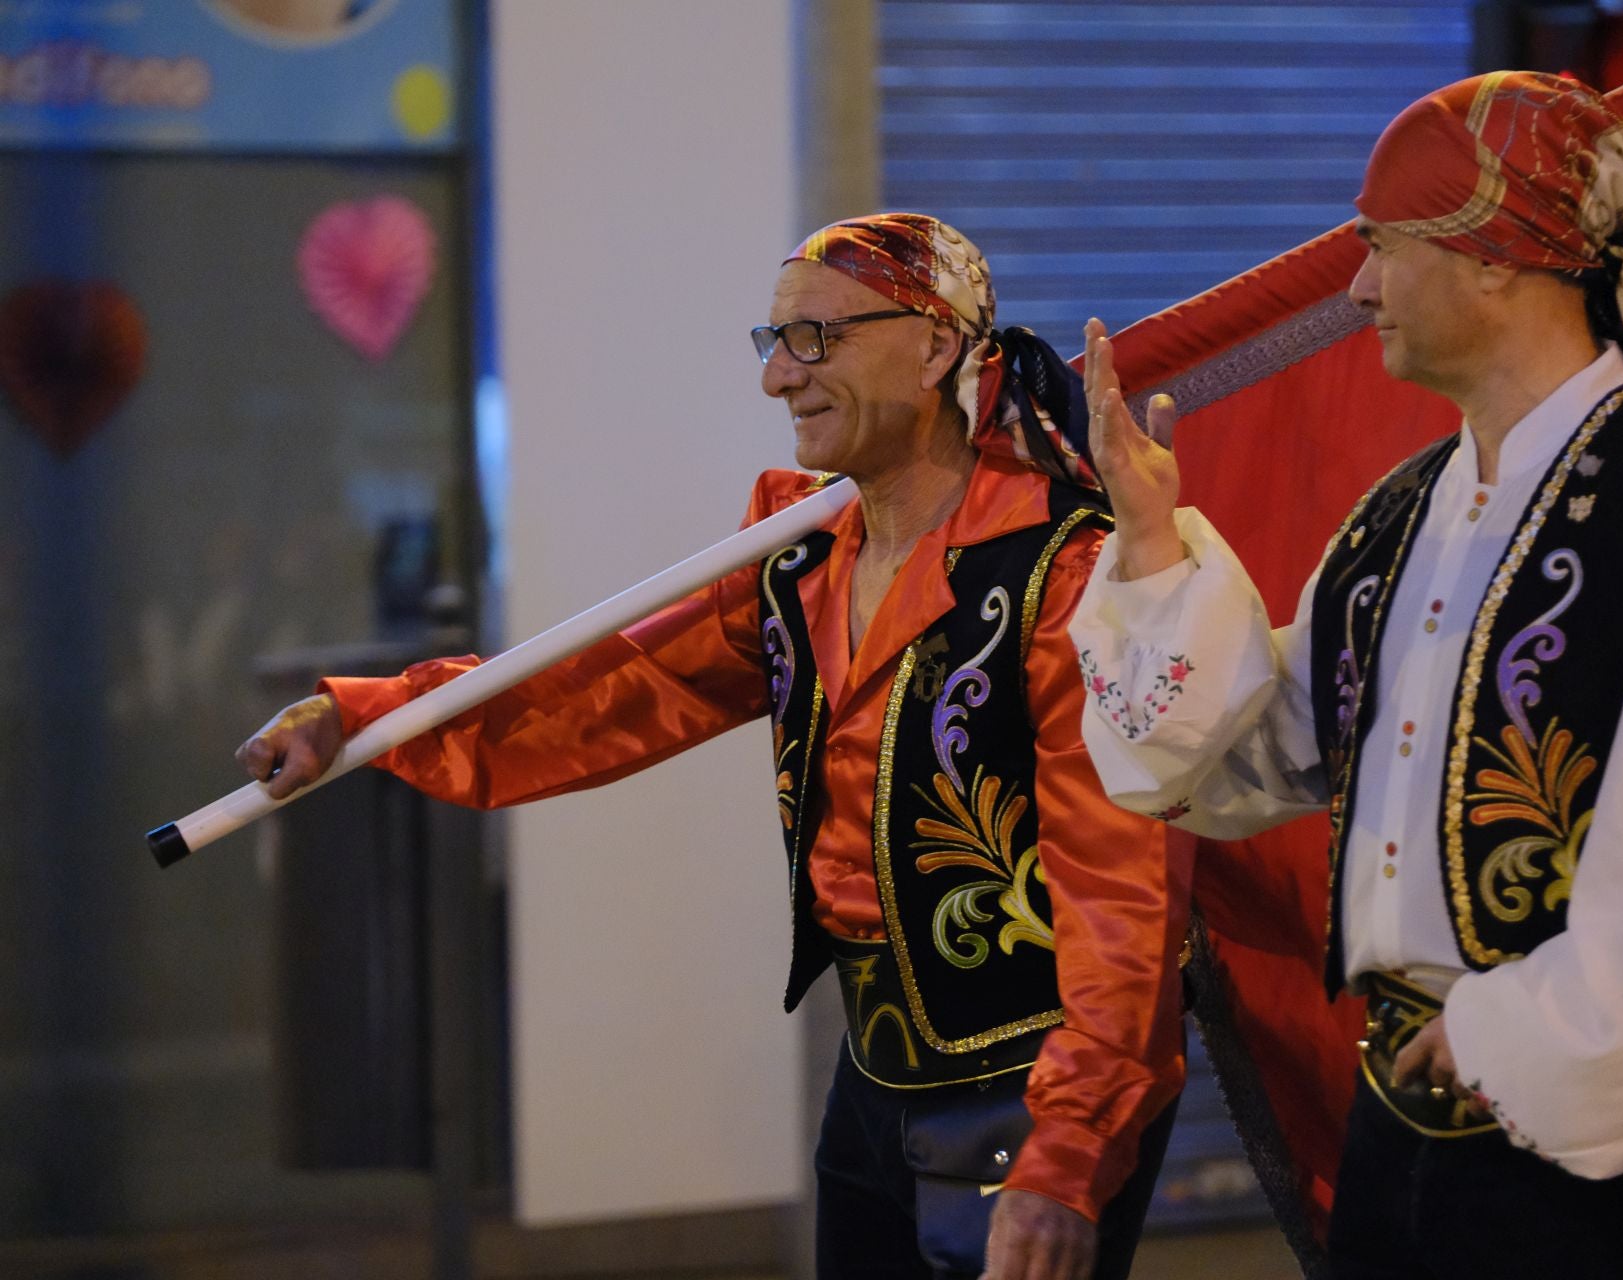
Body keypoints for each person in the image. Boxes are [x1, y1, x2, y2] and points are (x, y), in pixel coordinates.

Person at [238, 213, 1189, 1280]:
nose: (780, 377)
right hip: (872, 1076)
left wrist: (1069, 1152)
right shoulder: (797, 563)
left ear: (935, 347)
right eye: (772, 341)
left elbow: (1129, 901)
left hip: (1029, 1088)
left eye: (817, 338)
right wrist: (368, 717)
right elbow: (595, 691)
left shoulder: (1061, 572)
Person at [1069, 72, 1623, 1276]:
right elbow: (1255, 760)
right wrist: (1155, 545)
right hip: (1401, 1131)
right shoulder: (1402, 517)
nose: (1359, 285)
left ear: (1494, 257)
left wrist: (1513, 1038)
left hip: (1596, 1163)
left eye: (1383, 245)